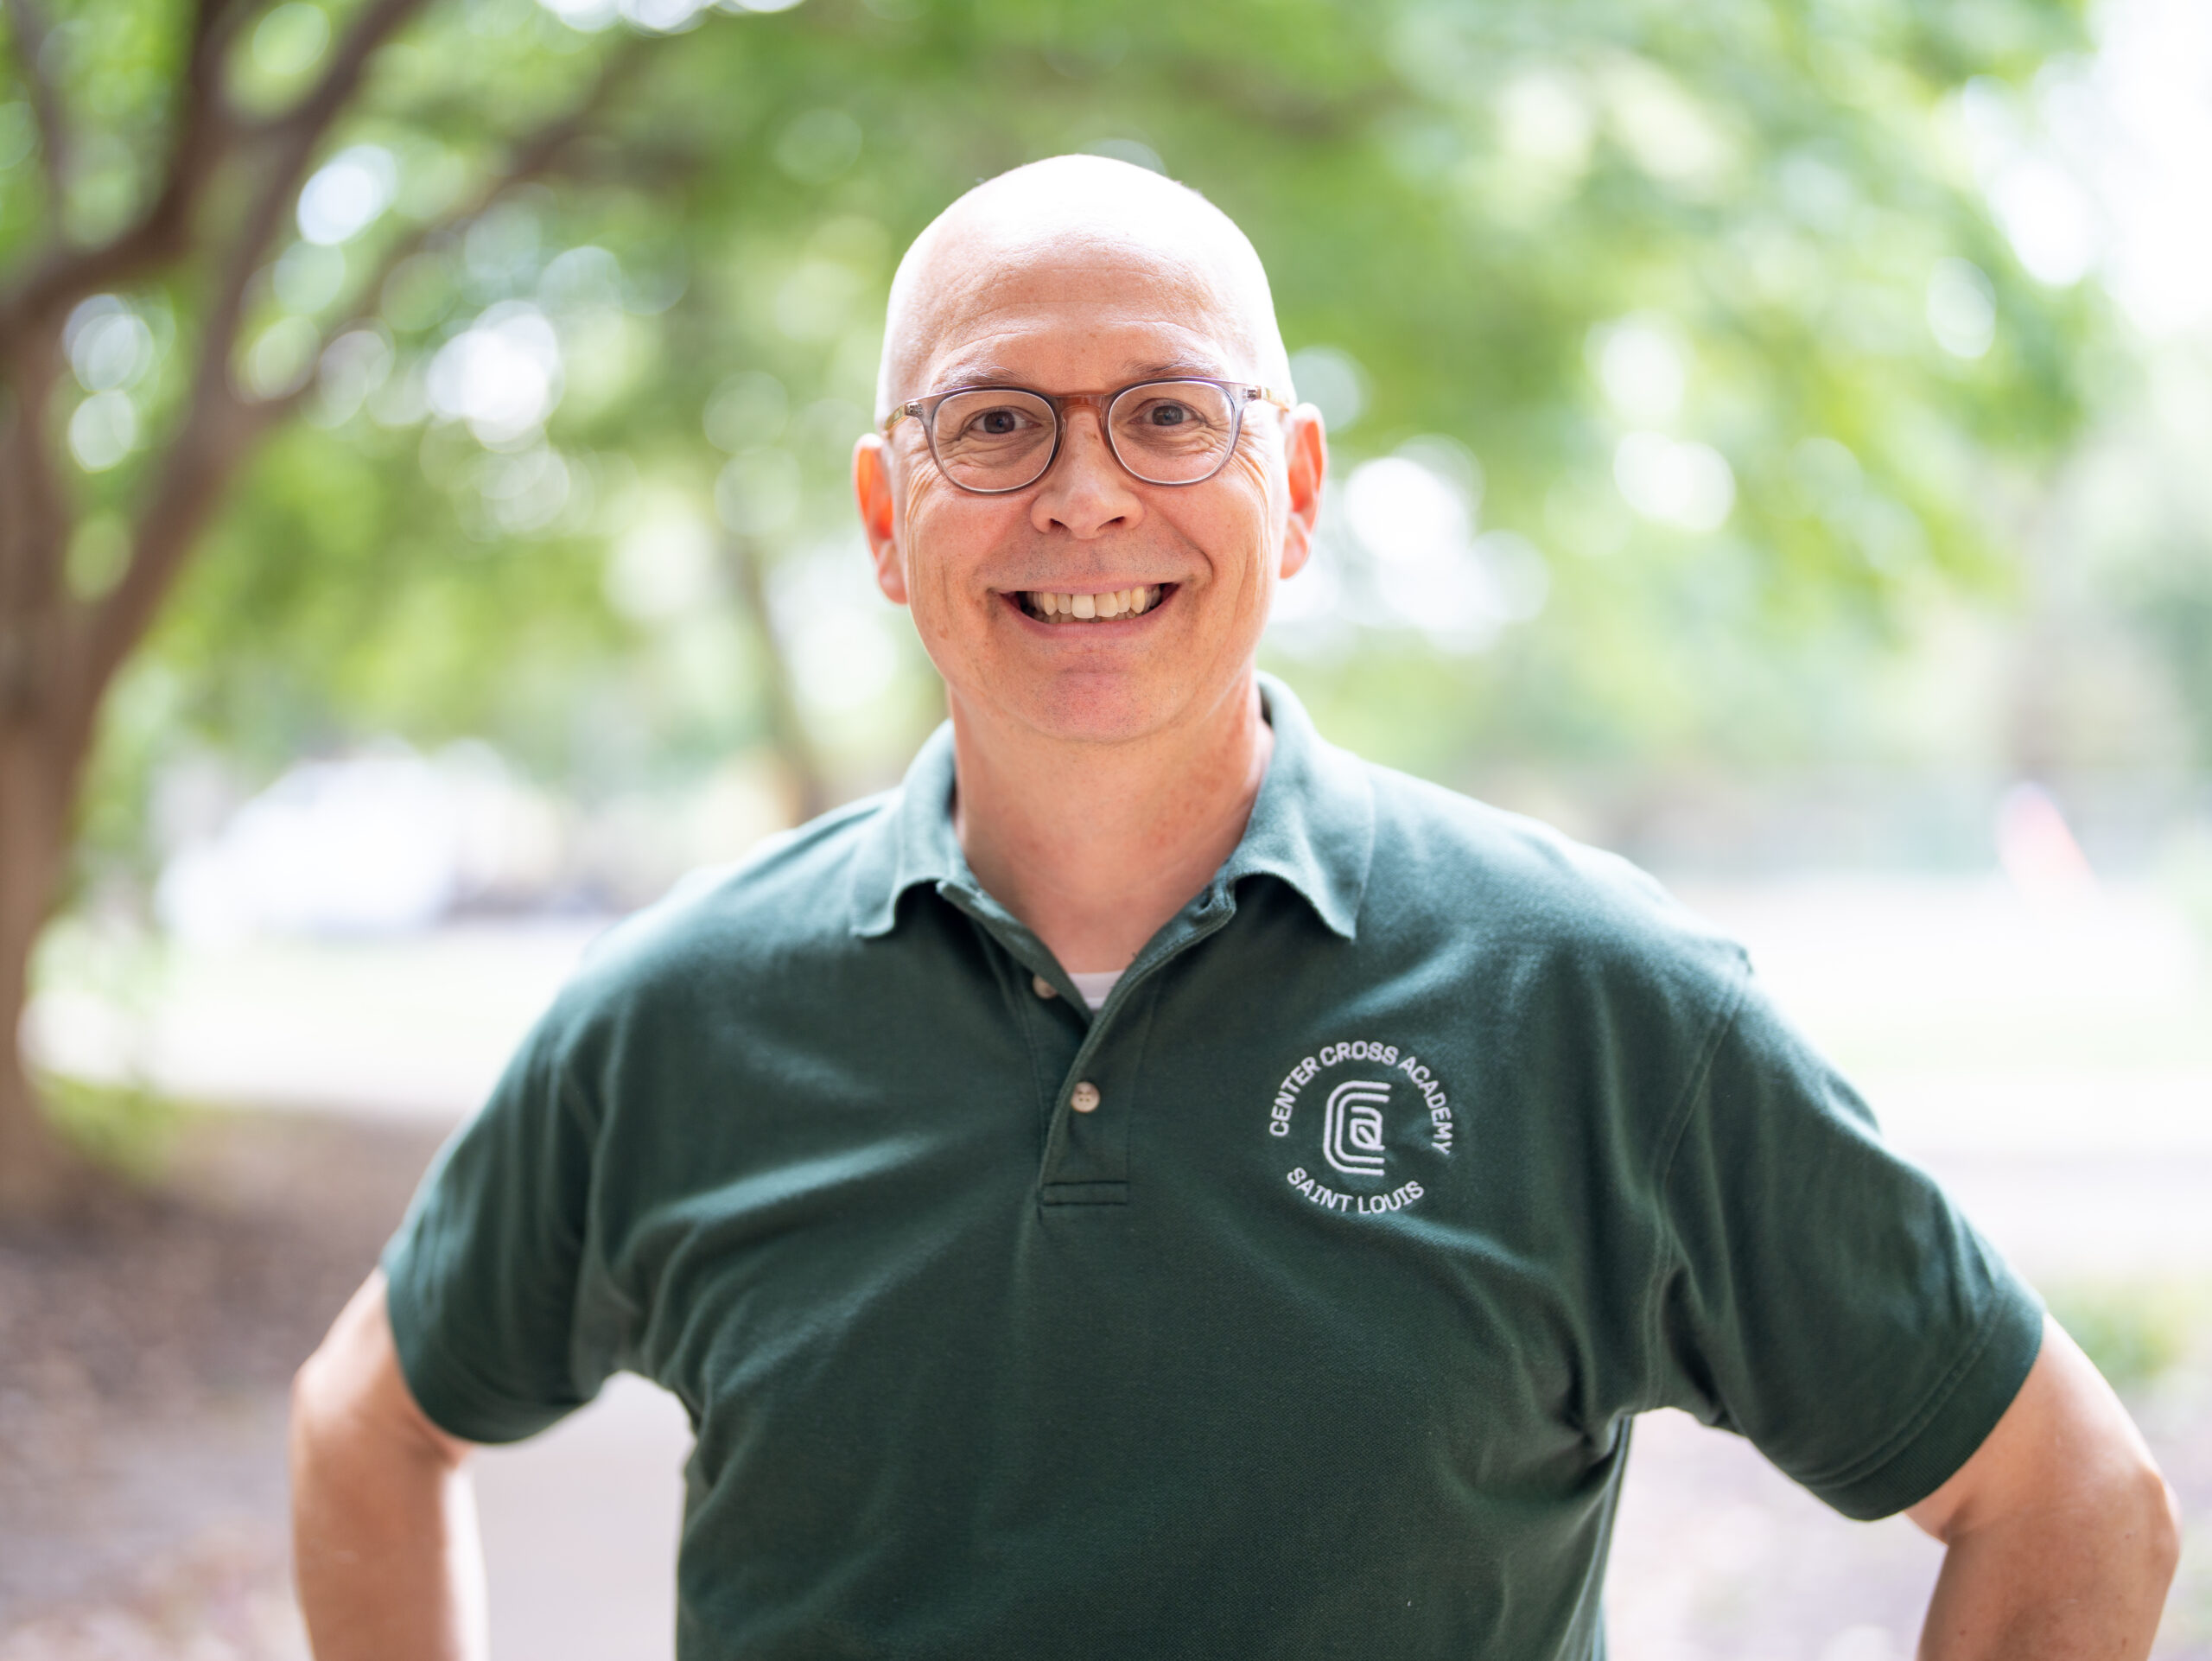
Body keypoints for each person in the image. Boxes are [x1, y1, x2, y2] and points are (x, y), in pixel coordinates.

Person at [289, 155, 2180, 1660]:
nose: (1086, 495)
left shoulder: (1592, 1000)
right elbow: (365, 1424)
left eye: (1168, 415)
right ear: (883, 516)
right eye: (996, 425)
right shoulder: (677, 1018)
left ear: (1288, 491)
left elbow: (2070, 1500)